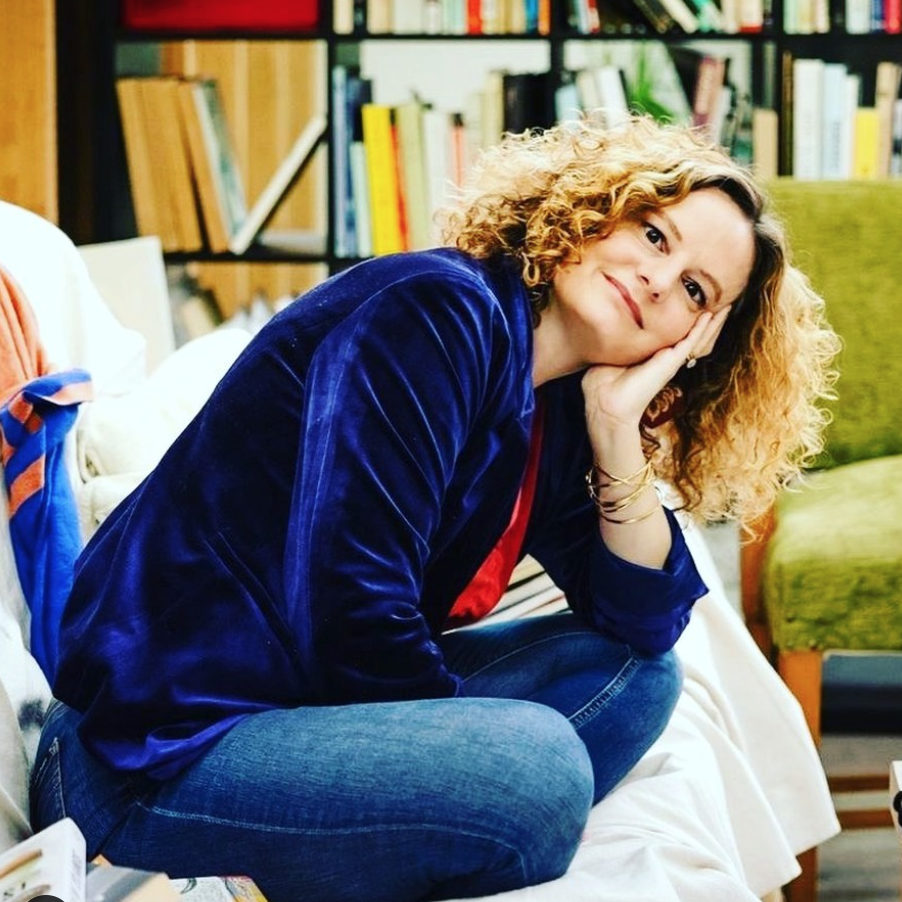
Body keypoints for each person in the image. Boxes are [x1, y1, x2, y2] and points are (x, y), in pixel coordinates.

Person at [30, 115, 839, 902]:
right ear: (594, 211)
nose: (660, 278)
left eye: (694, 291)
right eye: (655, 235)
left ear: (693, 346)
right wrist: (468, 762)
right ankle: (428, 833)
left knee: (638, 678)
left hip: (287, 712)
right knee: (536, 771)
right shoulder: (434, 310)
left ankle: (411, 838)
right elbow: (352, 608)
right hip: (143, 759)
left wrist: (616, 428)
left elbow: (643, 622)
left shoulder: (556, 406)